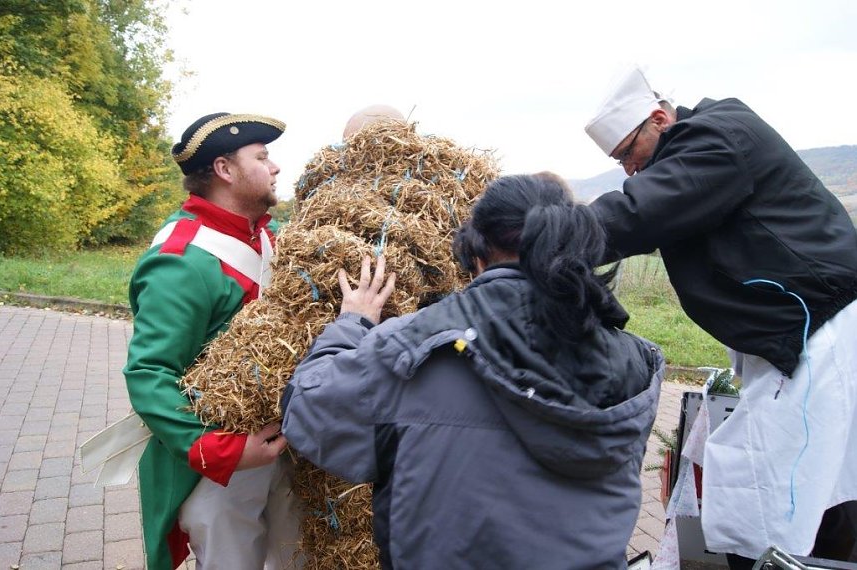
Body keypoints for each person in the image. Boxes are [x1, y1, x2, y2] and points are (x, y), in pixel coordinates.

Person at [281, 173, 665, 569]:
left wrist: (353, 323)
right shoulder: (634, 361)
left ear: (476, 254)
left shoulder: (409, 347)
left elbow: (306, 408)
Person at [584, 67, 857, 566]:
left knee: (774, 495)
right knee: (820, 486)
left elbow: (641, 213)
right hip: (797, 334)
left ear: (660, 119)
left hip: (817, 330)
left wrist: (546, 234)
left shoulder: (716, 137)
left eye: (626, 152)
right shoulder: (703, 143)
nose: (627, 169)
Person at [123, 112, 302, 570]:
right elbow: (149, 374)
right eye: (262, 157)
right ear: (225, 170)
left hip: (285, 446)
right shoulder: (180, 261)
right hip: (224, 464)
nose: (275, 167)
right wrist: (221, 450)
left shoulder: (267, 236)